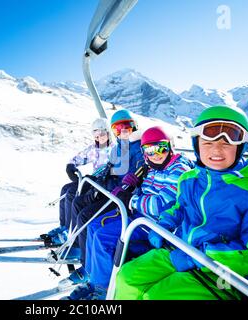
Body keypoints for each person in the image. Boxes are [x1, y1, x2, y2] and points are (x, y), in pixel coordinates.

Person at [114, 105, 248, 300]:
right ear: (197, 144)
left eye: (227, 142)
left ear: (240, 147)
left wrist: (202, 256)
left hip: (222, 273)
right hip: (179, 250)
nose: (217, 149)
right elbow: (178, 207)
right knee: (127, 278)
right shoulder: (189, 179)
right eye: (207, 142)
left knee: (156, 296)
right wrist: (163, 224)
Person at [66, 126, 193, 300]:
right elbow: (146, 191)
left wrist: (131, 200)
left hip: (155, 223)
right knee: (94, 226)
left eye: (160, 147)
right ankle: (93, 278)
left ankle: (103, 290)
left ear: (170, 147)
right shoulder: (155, 167)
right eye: (149, 150)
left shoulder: (178, 170)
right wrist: (133, 187)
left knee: (103, 238)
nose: (156, 154)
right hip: (140, 215)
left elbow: (161, 206)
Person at [60, 109, 145, 297]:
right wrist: (98, 182)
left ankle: (89, 270)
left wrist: (124, 188)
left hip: (121, 198)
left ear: (134, 127)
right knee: (80, 206)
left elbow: (137, 171)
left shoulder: (138, 147)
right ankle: (86, 264)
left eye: (127, 126)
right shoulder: (119, 148)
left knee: (87, 217)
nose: (123, 131)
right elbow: (109, 170)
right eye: (118, 128)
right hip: (111, 191)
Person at [44, 118, 113, 244]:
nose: (99, 138)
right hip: (92, 180)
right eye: (96, 135)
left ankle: (70, 233)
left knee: (72, 193)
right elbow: (77, 158)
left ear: (108, 133)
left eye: (102, 134)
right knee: (65, 188)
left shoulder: (114, 149)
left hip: (101, 182)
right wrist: (71, 167)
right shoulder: (93, 149)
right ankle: (64, 227)